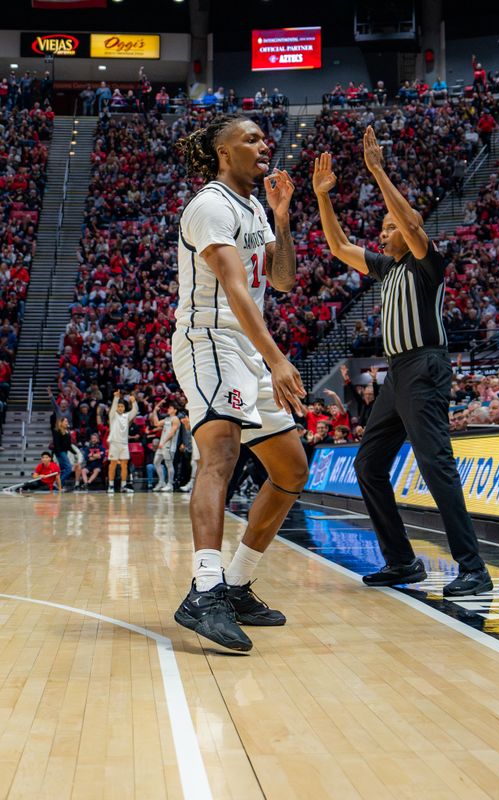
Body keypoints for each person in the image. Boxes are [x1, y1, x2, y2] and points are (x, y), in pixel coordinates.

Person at [312, 127, 491, 597]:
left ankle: (473, 567)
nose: (383, 232)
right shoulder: (386, 268)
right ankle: (402, 561)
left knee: (436, 465)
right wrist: (323, 199)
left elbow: (411, 224)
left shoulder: (425, 263)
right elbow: (338, 247)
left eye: (387, 228)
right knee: (369, 465)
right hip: (396, 373)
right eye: (383, 228)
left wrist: (378, 171)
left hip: (425, 366)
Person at [172, 114, 310, 652]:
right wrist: (277, 359)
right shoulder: (210, 205)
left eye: (263, 136)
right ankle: (204, 591)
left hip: (248, 347)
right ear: (224, 153)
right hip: (210, 340)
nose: (263, 143)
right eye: (250, 138)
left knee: (291, 469)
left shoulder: (254, 207)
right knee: (221, 452)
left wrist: (282, 216)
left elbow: (281, 280)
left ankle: (235, 582)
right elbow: (234, 287)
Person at [106, 390, 138, 494]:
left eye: (122, 406)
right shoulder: (113, 415)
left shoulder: (126, 416)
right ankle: (110, 486)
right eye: (118, 406)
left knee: (124, 465)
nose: (120, 408)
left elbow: (135, 411)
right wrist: (116, 397)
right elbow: (113, 406)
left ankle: (123, 486)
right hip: (114, 443)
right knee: (113, 464)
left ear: (124, 408)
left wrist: (133, 402)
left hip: (124, 444)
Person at [151, 399, 182, 492]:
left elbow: (172, 433)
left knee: (169, 465)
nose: (168, 409)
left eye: (170, 408)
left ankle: (170, 484)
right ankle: (161, 482)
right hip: (162, 445)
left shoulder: (175, 419)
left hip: (169, 446)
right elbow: (156, 423)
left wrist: (163, 442)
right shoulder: (167, 419)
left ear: (175, 410)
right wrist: (155, 411)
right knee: (156, 462)